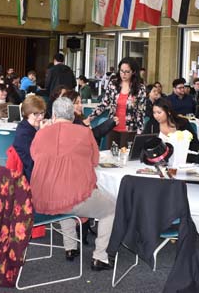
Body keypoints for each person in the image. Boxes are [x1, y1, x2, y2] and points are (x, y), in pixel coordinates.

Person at [30, 97, 116, 271]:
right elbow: (94, 160)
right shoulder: (84, 133)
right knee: (111, 209)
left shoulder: (40, 134)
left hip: (42, 198)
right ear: (73, 115)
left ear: (53, 115)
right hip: (73, 199)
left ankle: (70, 247)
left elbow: (34, 157)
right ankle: (100, 257)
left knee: (64, 196)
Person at [90, 57, 147, 147]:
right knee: (111, 157)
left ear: (133, 72)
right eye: (121, 71)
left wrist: (139, 132)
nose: (123, 74)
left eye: (127, 72)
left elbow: (141, 112)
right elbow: (104, 103)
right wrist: (90, 117)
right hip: (113, 127)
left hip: (130, 129)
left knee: (126, 158)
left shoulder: (140, 88)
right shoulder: (113, 84)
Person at [144, 98, 199, 163]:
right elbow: (143, 143)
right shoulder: (152, 124)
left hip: (182, 161)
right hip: (158, 161)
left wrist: (185, 156)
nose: (156, 116)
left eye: (159, 112)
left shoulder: (182, 123)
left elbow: (195, 143)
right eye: (154, 113)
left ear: (168, 112)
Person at [12, 95, 46, 182]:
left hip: (31, 170)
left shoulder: (28, 127)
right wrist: (42, 134)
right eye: (36, 114)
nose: (41, 117)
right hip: (28, 177)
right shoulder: (24, 133)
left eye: (42, 113)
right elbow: (33, 160)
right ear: (27, 113)